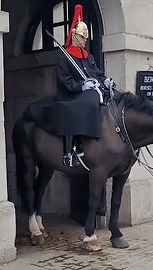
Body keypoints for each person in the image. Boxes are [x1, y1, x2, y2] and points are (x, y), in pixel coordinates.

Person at [45, 4, 116, 167]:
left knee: (114, 96)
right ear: (74, 36)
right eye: (82, 37)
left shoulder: (88, 56)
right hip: (71, 94)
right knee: (89, 101)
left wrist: (105, 80)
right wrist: (82, 86)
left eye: (85, 37)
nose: (85, 40)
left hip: (92, 90)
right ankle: (73, 150)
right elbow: (66, 80)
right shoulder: (65, 57)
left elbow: (96, 72)